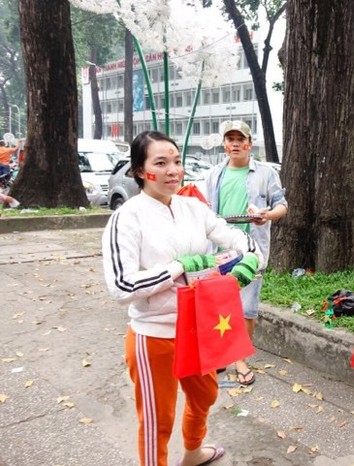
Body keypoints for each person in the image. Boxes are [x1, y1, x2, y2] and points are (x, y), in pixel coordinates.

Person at [102, 130, 265, 466]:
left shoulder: (193, 208)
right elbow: (121, 286)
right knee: (157, 419)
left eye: (176, 161)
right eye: (160, 163)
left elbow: (238, 239)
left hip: (199, 329)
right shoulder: (127, 217)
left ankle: (192, 452)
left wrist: (249, 260)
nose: (172, 171)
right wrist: (179, 267)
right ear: (139, 170)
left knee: (206, 395)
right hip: (154, 336)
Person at [204, 120, 288, 385]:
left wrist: (266, 215)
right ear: (224, 145)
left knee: (247, 309)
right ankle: (219, 356)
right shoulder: (214, 174)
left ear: (249, 143)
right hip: (219, 250)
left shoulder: (265, 173)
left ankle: (240, 359)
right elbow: (206, 211)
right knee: (219, 307)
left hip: (251, 250)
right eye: (230, 139)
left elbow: (281, 205)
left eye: (240, 139)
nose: (235, 144)